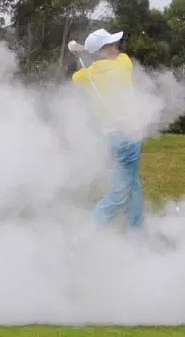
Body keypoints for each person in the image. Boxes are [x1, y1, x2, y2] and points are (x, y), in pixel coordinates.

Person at [69, 28, 143, 231]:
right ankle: (87, 234)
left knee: (133, 184)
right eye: (110, 45)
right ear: (103, 50)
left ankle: (136, 232)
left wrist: (84, 51)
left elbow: (76, 77)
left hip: (114, 135)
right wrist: (86, 50)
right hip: (127, 135)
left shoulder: (88, 75)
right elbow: (123, 58)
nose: (116, 47)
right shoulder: (123, 65)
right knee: (120, 192)